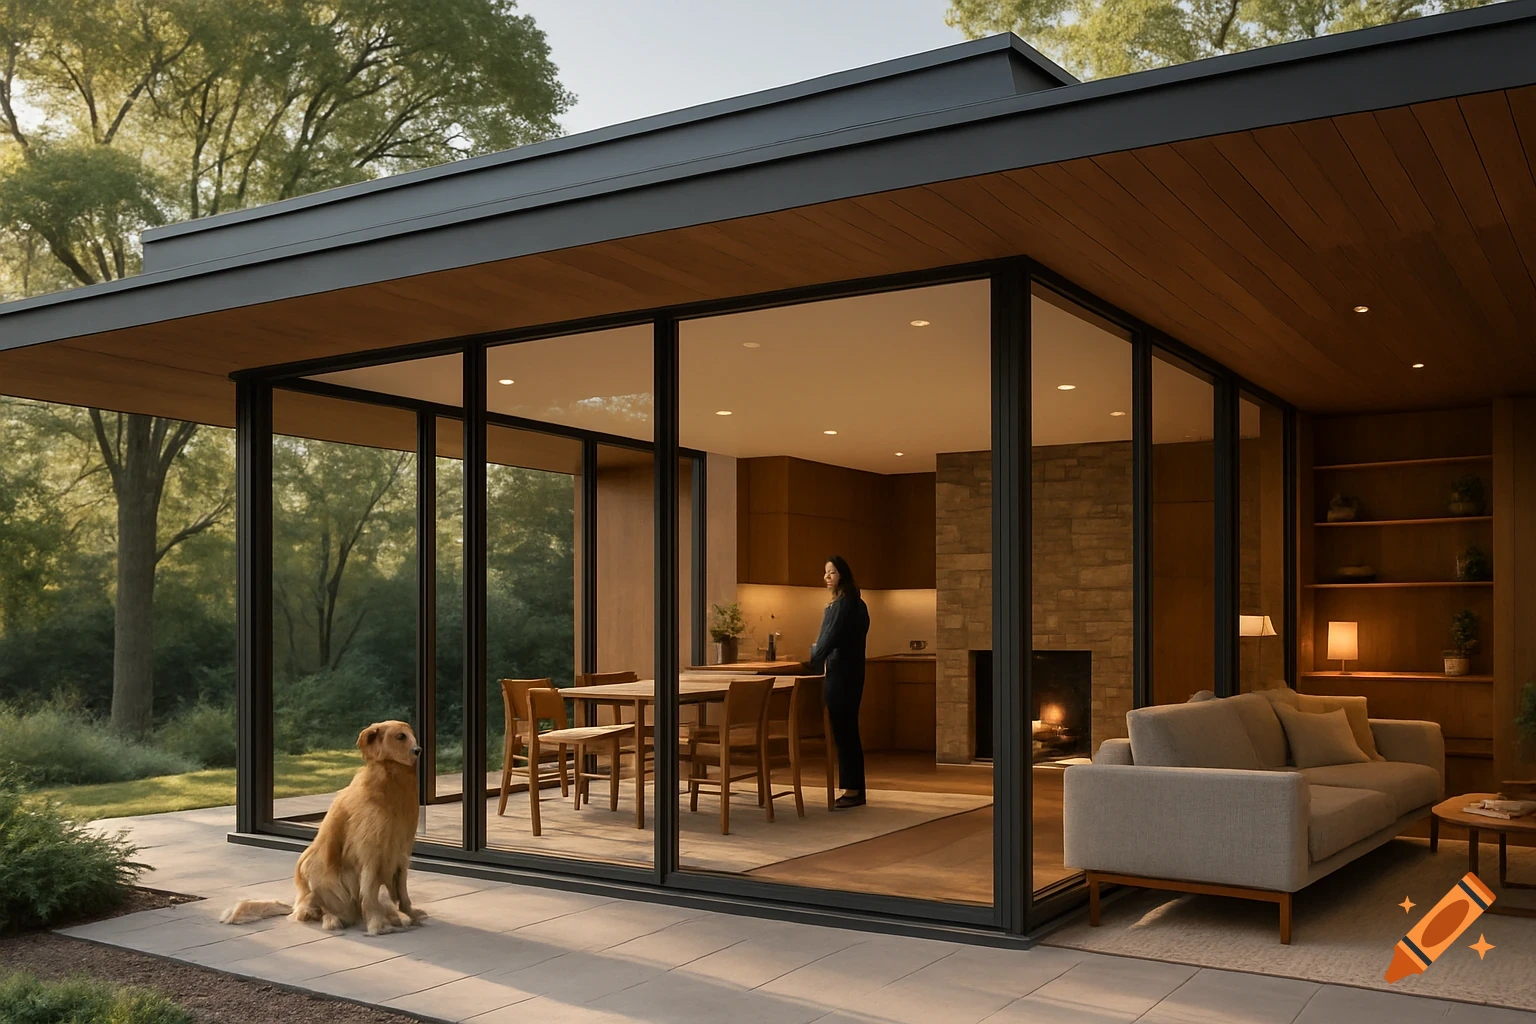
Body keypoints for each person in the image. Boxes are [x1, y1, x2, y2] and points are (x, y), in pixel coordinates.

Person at [808, 555, 870, 809]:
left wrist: (811, 660)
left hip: (840, 675)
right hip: (854, 673)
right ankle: (856, 788)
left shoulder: (839, 606)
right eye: (825, 573)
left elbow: (826, 641)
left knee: (843, 733)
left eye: (831, 572)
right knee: (849, 732)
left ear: (842, 574)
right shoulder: (859, 604)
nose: (826, 577)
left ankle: (852, 790)